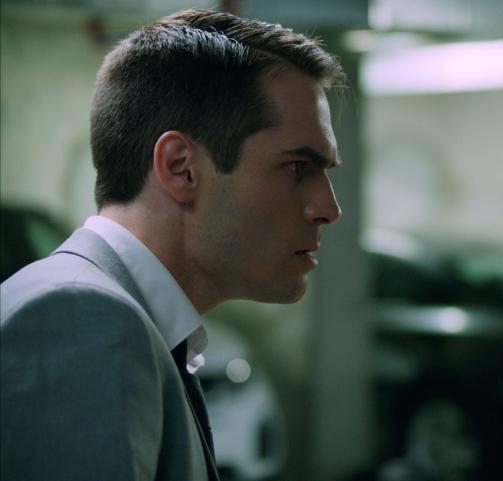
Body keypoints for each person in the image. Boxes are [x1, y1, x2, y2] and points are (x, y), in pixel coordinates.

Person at [1, 9, 343, 481]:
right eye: (296, 168)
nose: (329, 207)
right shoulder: (80, 318)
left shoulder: (120, 319)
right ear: (181, 168)